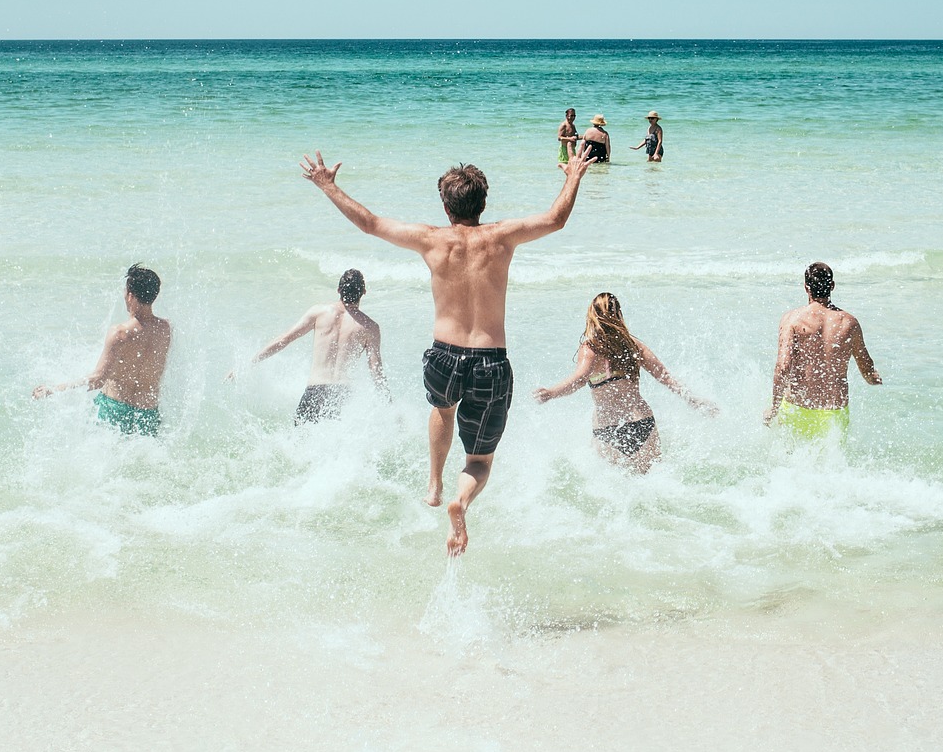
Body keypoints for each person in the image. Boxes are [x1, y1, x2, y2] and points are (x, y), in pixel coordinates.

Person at [301, 148, 595, 555]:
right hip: (491, 360)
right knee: (479, 461)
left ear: (445, 205)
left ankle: (435, 483)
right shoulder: (502, 236)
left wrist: (328, 185)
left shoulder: (431, 239)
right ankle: (462, 500)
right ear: (484, 203)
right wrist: (574, 175)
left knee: (442, 411)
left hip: (443, 356)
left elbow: (368, 223)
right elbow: (555, 219)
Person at [533, 292, 716, 472]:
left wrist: (551, 393)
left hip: (608, 429)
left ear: (592, 316)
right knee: (653, 483)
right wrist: (694, 401)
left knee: (613, 491)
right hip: (642, 422)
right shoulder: (633, 345)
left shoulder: (590, 348)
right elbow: (665, 377)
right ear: (618, 314)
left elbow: (580, 379)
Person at [33, 264, 172, 436]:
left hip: (115, 410)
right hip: (148, 414)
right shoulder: (165, 329)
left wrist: (54, 389)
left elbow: (97, 379)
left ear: (130, 296)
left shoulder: (120, 333)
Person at [242, 269, 388, 423]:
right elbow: (375, 370)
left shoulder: (319, 313)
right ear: (364, 292)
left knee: (299, 443)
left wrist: (249, 363)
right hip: (342, 395)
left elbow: (284, 339)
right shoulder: (370, 327)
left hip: (314, 392)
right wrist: (388, 404)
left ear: (339, 290)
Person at [766, 261, 881, 438]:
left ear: (806, 288)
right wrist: (873, 378)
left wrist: (773, 408)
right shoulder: (849, 323)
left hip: (798, 408)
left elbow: (783, 367)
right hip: (834, 413)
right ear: (832, 286)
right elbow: (866, 368)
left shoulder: (792, 320)